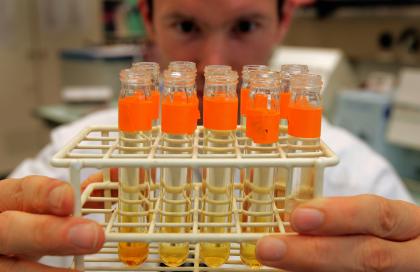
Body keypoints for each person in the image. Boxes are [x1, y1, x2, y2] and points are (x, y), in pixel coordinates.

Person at [2, 0, 418, 271]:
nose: (213, 63)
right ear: (147, 18)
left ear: (283, 21)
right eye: (186, 25)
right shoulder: (66, 159)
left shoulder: (361, 176)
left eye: (244, 26)